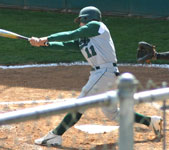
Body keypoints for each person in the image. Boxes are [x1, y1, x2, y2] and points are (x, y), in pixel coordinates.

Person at [29, 6, 163, 146]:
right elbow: (65, 44)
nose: (79, 23)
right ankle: (151, 121)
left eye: (81, 20)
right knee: (113, 114)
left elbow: (72, 34)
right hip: (105, 74)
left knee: (81, 102)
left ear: (87, 18)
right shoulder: (85, 38)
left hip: (104, 73)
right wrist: (43, 44)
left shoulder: (97, 26)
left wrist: (45, 38)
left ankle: (55, 135)